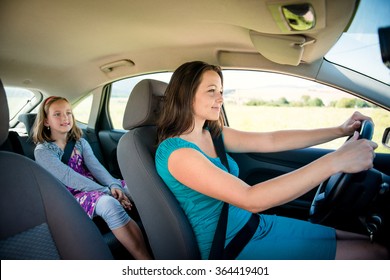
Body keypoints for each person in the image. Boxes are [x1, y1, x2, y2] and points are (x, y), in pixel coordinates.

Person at [155, 60, 389, 260]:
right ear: (187, 95)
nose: (221, 98)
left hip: (255, 225)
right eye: (211, 91)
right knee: (376, 253)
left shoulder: (213, 134)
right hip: (231, 247)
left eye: (221, 91)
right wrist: (335, 161)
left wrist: (339, 130)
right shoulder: (178, 153)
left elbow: (271, 140)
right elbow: (250, 198)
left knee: (368, 242)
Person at [33, 96, 152, 260]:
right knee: (109, 203)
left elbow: (97, 168)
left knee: (136, 188)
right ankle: (145, 260)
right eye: (57, 114)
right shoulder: (43, 152)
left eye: (68, 113)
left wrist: (114, 186)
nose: (65, 118)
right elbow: (69, 178)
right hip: (69, 195)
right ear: (46, 121)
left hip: (94, 186)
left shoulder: (80, 142)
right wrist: (108, 193)